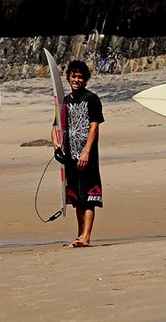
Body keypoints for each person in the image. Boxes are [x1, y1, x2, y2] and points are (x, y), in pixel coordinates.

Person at [51, 60, 104, 247]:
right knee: (77, 199)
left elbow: (94, 126)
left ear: (85, 80)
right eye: (74, 76)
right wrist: (56, 143)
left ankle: (87, 237)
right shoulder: (64, 102)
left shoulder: (92, 99)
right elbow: (55, 126)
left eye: (80, 77)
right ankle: (80, 235)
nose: (77, 79)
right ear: (69, 79)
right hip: (70, 158)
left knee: (89, 198)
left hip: (87, 158)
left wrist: (86, 152)